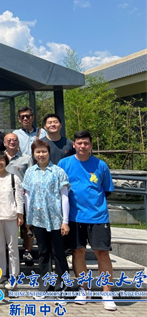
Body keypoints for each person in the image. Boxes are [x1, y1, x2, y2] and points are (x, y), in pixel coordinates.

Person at [58, 130, 117, 311]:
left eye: (86, 143)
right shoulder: (64, 164)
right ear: (74, 145)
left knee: (102, 253)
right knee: (78, 252)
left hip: (98, 216)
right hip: (74, 217)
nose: (82, 146)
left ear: (91, 145)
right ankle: (84, 289)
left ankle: (107, 292)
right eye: (79, 143)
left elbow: (106, 189)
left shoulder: (101, 165)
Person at [22, 140, 70, 299]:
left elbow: (64, 197)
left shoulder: (58, 171)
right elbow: (28, 196)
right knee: (43, 253)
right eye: (38, 152)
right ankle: (45, 286)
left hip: (56, 219)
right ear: (33, 154)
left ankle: (62, 288)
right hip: (38, 219)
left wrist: (65, 221)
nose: (41, 155)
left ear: (49, 152)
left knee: (59, 253)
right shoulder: (30, 172)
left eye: (44, 151)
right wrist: (29, 218)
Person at [0, 152, 23, 290]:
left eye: (1, 160)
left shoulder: (13, 178)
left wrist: (20, 215)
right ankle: (1, 275)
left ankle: (14, 276)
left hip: (11, 217)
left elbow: (19, 198)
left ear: (6, 162)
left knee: (13, 248)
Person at [3, 132, 34, 266]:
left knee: (27, 225)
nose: (12, 142)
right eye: (9, 140)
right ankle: (8, 250)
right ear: (4, 143)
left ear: (18, 143)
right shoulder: (0, 157)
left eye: (14, 140)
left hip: (23, 196)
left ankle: (27, 251)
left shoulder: (26, 158)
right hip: (4, 197)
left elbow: (31, 176)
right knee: (7, 224)